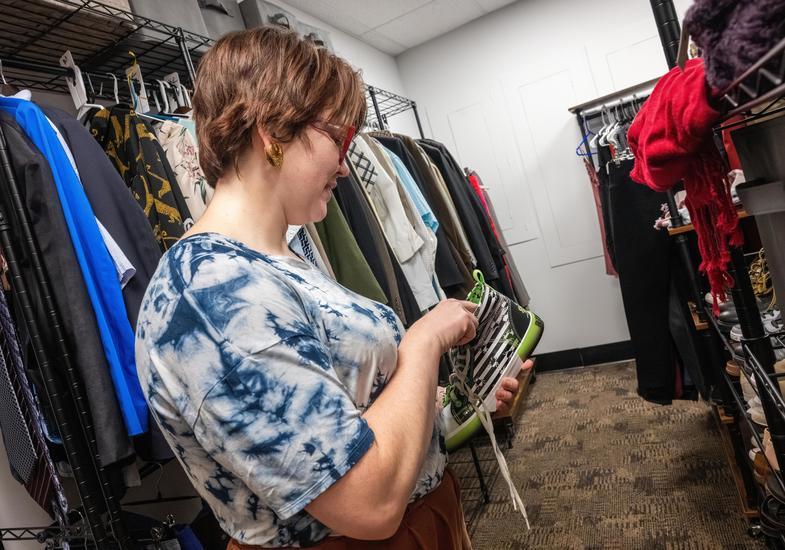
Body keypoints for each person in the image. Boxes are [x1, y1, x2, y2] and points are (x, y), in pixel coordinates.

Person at [134, 26, 530, 549]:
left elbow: (350, 414)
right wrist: (423, 343)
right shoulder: (212, 294)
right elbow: (365, 504)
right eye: (338, 140)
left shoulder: (273, 260)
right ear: (272, 133)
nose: (345, 166)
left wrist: (452, 405)